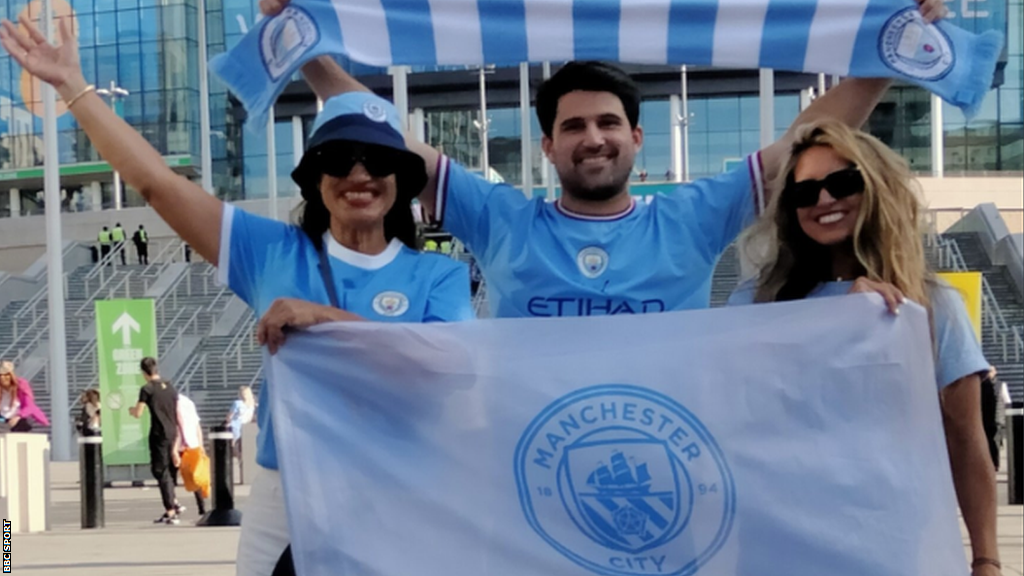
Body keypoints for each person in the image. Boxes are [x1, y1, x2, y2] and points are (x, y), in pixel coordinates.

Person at [1, 19, 472, 573]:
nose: (359, 174)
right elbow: (157, 183)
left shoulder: (438, 276)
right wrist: (73, 89)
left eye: (378, 161)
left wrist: (319, 316)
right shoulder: (269, 251)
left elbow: (442, 368)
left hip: (399, 489)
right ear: (315, 179)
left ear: (402, 177)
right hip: (286, 493)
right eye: (339, 160)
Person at [257, 0, 947, 321]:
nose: (595, 137)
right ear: (548, 146)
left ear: (637, 139)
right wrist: (308, 50)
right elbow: (386, 135)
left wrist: (889, 55)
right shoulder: (501, 220)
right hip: (528, 463)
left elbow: (806, 134)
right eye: (575, 125)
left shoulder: (691, 218)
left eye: (610, 122)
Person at [727, 120, 1001, 575]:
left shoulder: (931, 306)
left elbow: (966, 439)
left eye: (842, 182)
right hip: (775, 544)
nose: (824, 200)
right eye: (805, 192)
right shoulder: (756, 303)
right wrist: (840, 331)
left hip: (888, 545)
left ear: (875, 187)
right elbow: (737, 412)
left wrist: (986, 559)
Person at [128, 357, 183, 525]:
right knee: (171, 469)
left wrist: (131, 410)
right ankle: (174, 501)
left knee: (160, 470)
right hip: (173, 430)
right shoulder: (170, 386)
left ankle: (171, 510)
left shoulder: (147, 389)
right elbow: (177, 410)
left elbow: (138, 413)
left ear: (144, 372)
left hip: (159, 433)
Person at [173, 393, 207, 517]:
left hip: (180, 445)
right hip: (192, 444)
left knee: (171, 475)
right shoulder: (189, 402)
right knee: (194, 475)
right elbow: (197, 425)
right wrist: (200, 443)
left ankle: (174, 504)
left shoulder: (174, 402)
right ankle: (201, 506)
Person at [0, 361, 49, 433]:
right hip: (2, 419)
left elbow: (29, 406)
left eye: (6, 374)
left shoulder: (21, 385)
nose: (3, 377)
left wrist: (18, 416)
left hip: (19, 419)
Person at [225, 385, 256, 456]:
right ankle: (236, 456)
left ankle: (240, 456)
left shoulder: (252, 405)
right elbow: (230, 416)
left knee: (242, 443)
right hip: (236, 425)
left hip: (246, 426)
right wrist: (228, 422)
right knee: (235, 442)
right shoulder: (238, 403)